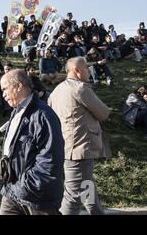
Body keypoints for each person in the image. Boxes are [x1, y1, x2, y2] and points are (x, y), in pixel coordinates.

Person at [48, 57, 111, 215]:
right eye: (86, 68)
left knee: (86, 186)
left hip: (66, 146)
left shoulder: (57, 90)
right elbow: (103, 113)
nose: (89, 71)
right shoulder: (81, 88)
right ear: (77, 70)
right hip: (80, 148)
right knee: (73, 197)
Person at [0, 70, 64, 215]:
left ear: (19, 86)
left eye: (4, 89)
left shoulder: (44, 116)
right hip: (12, 190)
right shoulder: (17, 111)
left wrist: (26, 186)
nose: (2, 94)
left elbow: (50, 161)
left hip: (37, 197)